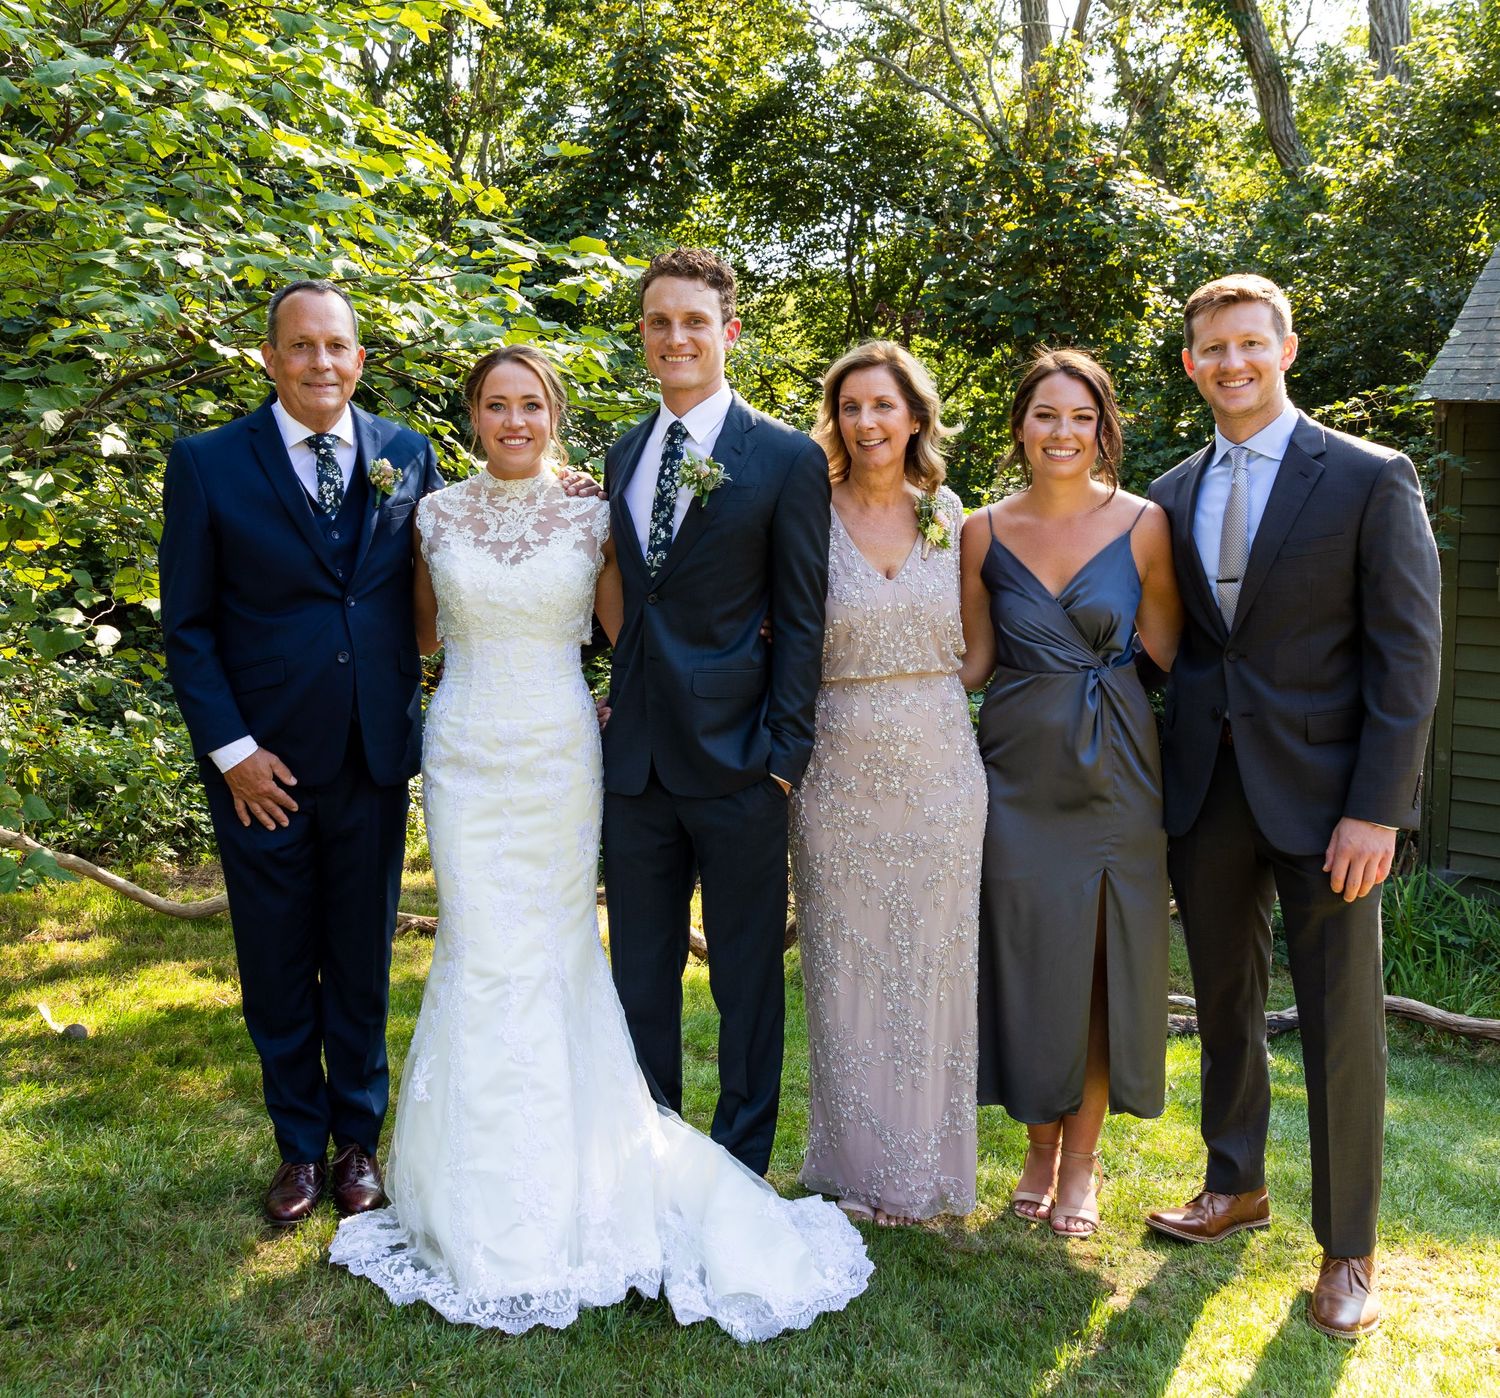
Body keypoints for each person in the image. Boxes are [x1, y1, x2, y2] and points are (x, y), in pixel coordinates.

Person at [329, 345, 871, 1339]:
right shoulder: (433, 515)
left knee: (557, 950)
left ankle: (592, 1174)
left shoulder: (593, 508)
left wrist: (739, 685)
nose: (514, 419)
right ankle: (469, 1192)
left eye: (531, 403)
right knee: (480, 951)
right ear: (473, 417)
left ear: (556, 414)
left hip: (562, 754)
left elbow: (636, 628)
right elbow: (422, 638)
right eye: (496, 405)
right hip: (463, 756)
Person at [1143, 274, 1440, 1338]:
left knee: (1340, 1023)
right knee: (1223, 1004)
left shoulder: (1367, 477)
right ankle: (1235, 1186)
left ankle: (1349, 1249)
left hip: (1331, 805)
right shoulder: (1169, 493)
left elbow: (1408, 655)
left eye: (1249, 345)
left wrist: (1380, 810)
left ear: (1286, 348)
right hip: (1206, 793)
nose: (1231, 363)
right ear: (1191, 364)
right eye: (1212, 349)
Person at [160, 281, 443, 1224]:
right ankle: (298, 1149)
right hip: (262, 769)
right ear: (271, 359)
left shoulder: (406, 454)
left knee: (361, 956)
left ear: (360, 359)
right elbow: (190, 627)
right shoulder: (206, 464)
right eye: (302, 347)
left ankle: (359, 1141)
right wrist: (232, 752)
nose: (323, 362)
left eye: (339, 347)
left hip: (370, 750)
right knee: (278, 958)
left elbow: (439, 577)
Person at [599, 249, 831, 1178]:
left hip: (743, 761)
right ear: (644, 336)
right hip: (638, 763)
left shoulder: (783, 458)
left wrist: (785, 752)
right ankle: (652, 1149)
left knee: (744, 979)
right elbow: (629, 595)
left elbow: (806, 615)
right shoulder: (622, 452)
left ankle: (737, 1163)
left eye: (694, 321)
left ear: (727, 332)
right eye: (659, 322)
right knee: (639, 978)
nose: (676, 337)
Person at [959, 348, 1182, 1239]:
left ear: (1102, 428)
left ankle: (1080, 1158)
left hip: (1118, 771)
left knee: (1098, 966)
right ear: (1019, 426)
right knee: (1027, 956)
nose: (1062, 433)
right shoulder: (978, 529)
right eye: (1046, 415)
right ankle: (1035, 1145)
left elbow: (1163, 649)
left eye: (1080, 417)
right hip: (1013, 769)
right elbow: (973, 661)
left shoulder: (1144, 523)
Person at [791, 341, 985, 1227]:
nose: (867, 423)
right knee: (848, 962)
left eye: (884, 406)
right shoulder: (805, 511)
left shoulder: (949, 513)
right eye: (851, 408)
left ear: (915, 417)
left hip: (942, 762)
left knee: (934, 961)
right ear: (835, 421)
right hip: (837, 760)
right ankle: (851, 1165)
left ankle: (924, 1172)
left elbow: (978, 647)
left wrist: (930, 697)